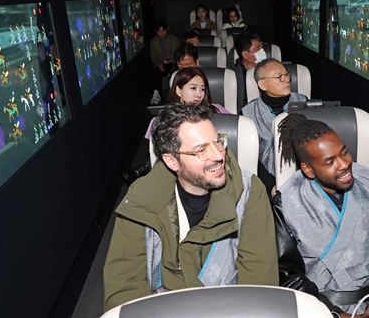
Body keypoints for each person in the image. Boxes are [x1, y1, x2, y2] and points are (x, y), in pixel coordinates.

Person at [104, 103, 278, 311]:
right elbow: (123, 293)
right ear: (172, 161)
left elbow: (258, 287)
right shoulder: (140, 202)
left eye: (218, 142)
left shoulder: (250, 192)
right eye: (201, 150)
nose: (218, 155)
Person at [272, 114, 369, 317]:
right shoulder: (285, 204)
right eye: (330, 162)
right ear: (308, 170)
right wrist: (335, 314)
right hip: (318, 307)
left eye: (344, 152)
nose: (344, 164)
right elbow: (286, 274)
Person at [242, 59, 307, 188]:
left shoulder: (303, 103)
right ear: (263, 84)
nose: (287, 79)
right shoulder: (247, 114)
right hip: (265, 181)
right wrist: (272, 186)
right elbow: (251, 158)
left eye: (286, 74)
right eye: (279, 77)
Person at [145, 67, 229, 138]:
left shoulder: (217, 110)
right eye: (193, 88)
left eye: (202, 89)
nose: (199, 94)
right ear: (178, 91)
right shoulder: (161, 121)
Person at [233, 32, 266, 109]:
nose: (262, 51)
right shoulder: (234, 76)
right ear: (245, 54)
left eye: (262, 47)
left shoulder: (269, 69)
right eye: (258, 49)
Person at [150, 20, 180, 104]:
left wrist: (171, 60)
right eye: (159, 31)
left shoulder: (173, 39)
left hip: (173, 62)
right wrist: (159, 64)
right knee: (156, 73)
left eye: (163, 31)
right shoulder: (154, 42)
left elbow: (177, 53)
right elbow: (153, 57)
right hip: (161, 64)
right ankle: (156, 94)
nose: (162, 33)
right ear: (156, 31)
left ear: (166, 30)